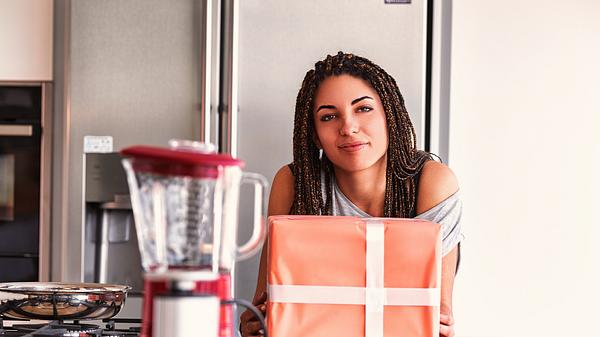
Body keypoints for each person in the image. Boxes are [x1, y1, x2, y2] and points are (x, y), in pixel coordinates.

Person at [240, 51, 463, 337]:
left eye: (363, 109)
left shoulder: (431, 183)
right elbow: (267, 304)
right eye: (329, 116)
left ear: (389, 115)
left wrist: (442, 324)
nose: (348, 127)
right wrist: (254, 324)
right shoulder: (294, 183)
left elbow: (435, 318)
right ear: (314, 134)